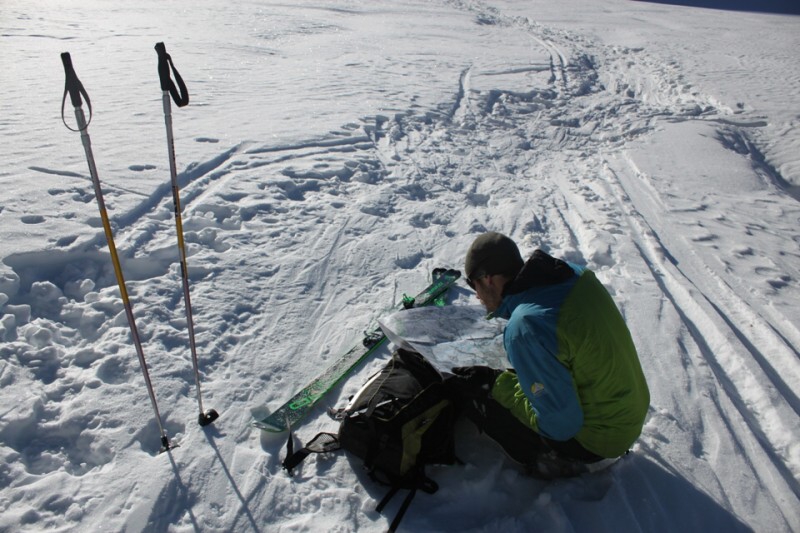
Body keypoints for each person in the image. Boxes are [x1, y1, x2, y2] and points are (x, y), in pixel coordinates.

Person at [450, 231, 650, 478]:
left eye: (474, 285)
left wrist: (494, 383)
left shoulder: (526, 326)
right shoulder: (573, 274)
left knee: (475, 390)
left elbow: (560, 424)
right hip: (627, 415)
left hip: (598, 441)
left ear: (488, 279)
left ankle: (552, 461)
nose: (477, 296)